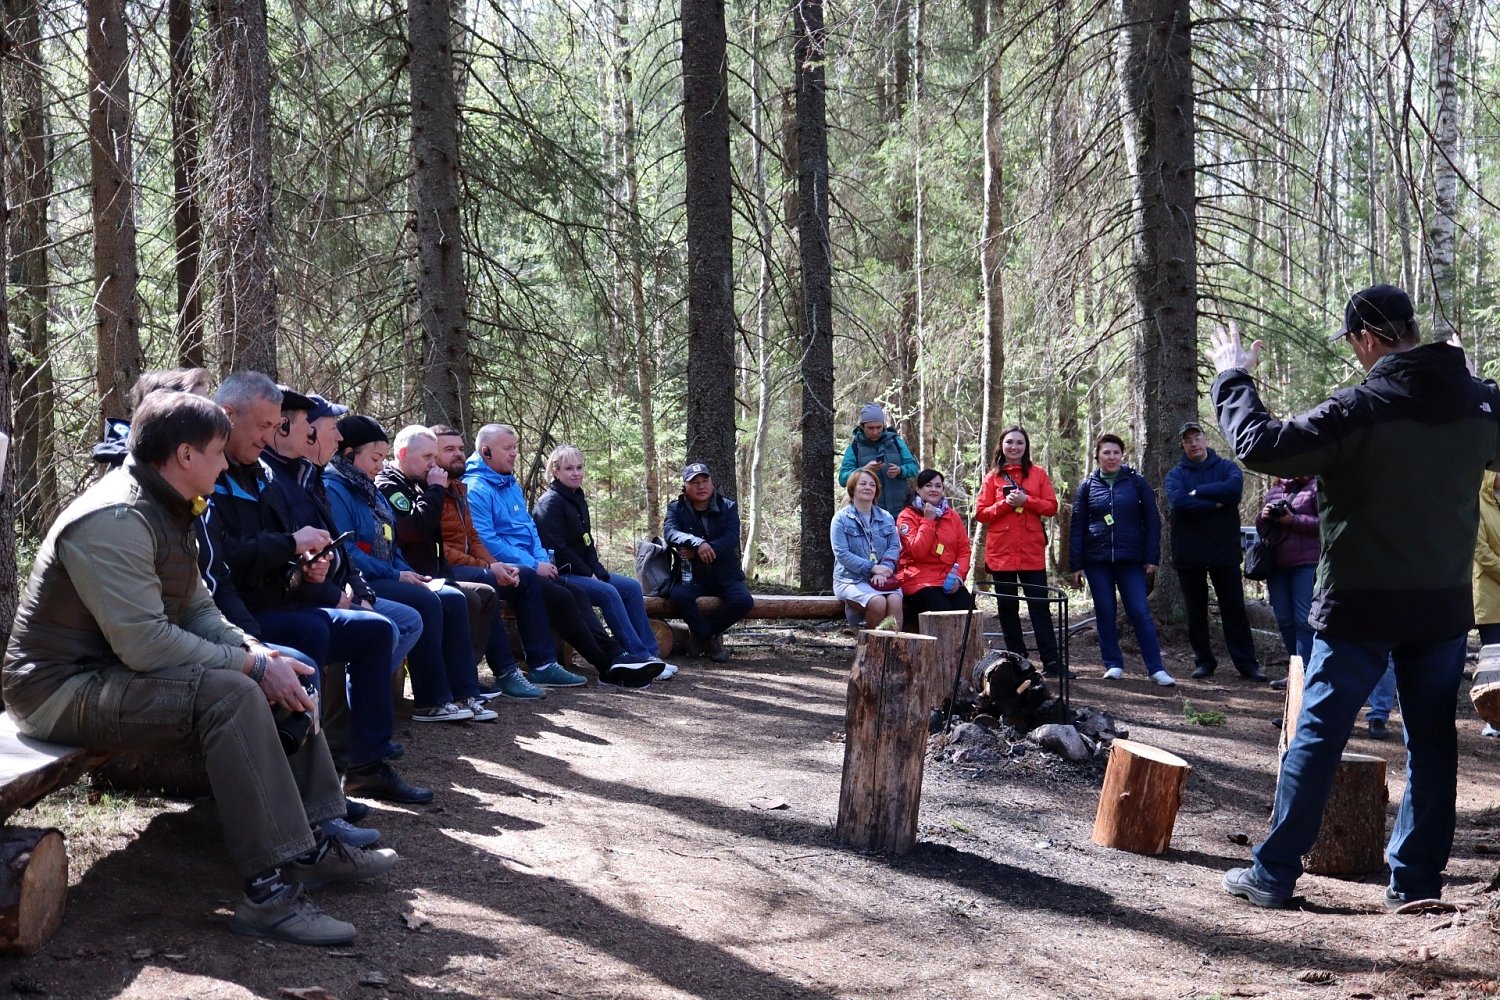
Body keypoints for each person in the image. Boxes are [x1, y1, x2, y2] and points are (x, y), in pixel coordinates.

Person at [2, 391, 398, 945]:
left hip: (111, 673)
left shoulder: (170, 504)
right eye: (217, 452)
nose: (227, 464)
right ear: (185, 455)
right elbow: (145, 644)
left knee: (285, 670)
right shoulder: (116, 517)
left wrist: (259, 653)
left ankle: (312, 841)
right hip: (58, 690)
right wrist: (250, 669)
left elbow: (197, 610)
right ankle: (267, 895)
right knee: (232, 694)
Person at [1213, 283, 1500, 910]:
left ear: (1367, 339)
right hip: (1441, 606)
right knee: (1432, 744)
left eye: (1353, 342)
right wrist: (1470, 387)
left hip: (1359, 605)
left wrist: (1233, 378)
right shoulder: (1479, 404)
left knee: (1319, 736)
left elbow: (1261, 445)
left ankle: (1274, 874)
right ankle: (1415, 883)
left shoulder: (1358, 408)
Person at [203, 374, 430, 807]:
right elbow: (223, 557)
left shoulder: (261, 475)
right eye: (265, 426)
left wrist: (307, 567)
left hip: (278, 598)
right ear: (228, 417)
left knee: (374, 630)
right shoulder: (216, 476)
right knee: (313, 637)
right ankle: (312, 790)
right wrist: (294, 552)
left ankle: (366, 765)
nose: (269, 436)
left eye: (274, 426)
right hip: (244, 614)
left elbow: (277, 547)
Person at [323, 414, 496, 724]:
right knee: (426, 602)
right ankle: (430, 701)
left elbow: (393, 545)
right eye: (374, 458)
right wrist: (397, 575)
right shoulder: (336, 487)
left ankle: (465, 692)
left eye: (382, 458)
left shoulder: (368, 488)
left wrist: (411, 573)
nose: (380, 465)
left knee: (452, 598)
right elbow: (347, 551)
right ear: (349, 454)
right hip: (359, 580)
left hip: (387, 573)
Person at [464, 423, 658, 684]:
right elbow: (487, 541)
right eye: (507, 448)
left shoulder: (509, 483)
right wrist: (534, 565)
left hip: (533, 566)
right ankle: (600, 664)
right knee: (565, 596)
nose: (514, 454)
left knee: (576, 593)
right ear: (486, 451)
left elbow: (530, 530)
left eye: (515, 448)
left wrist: (541, 560)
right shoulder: (476, 488)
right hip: (505, 570)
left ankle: (619, 657)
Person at [376, 425, 545, 697]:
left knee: (522, 580)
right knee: (476, 590)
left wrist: (494, 564)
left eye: (460, 449)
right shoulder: (423, 486)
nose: (457, 455)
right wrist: (487, 567)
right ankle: (469, 681)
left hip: (440, 569)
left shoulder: (454, 487)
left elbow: (473, 537)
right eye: (446, 451)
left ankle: (533, 665)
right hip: (420, 572)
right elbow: (424, 536)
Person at [533, 444, 677, 678]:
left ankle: (652, 655)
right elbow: (558, 549)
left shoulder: (577, 498)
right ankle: (638, 656)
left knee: (630, 587)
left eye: (579, 467)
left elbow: (587, 542)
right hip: (562, 574)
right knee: (608, 592)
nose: (576, 473)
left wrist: (597, 571)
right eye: (569, 468)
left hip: (584, 571)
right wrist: (588, 573)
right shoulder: (550, 503)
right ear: (556, 471)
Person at [1067, 434, 1174, 686]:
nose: (1111, 457)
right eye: (1106, 453)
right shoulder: (1087, 486)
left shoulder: (1136, 482)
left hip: (1131, 560)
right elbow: (1077, 526)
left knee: (1139, 611)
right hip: (1097, 561)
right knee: (1105, 612)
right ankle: (1113, 664)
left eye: (1116, 452)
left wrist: (1152, 557)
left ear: (1122, 455)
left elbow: (1152, 521)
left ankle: (1156, 669)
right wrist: (1076, 564)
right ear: (1097, 456)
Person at [1164, 421, 1266, 681]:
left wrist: (1198, 492)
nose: (1193, 443)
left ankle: (1247, 664)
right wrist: (1215, 504)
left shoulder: (1227, 468)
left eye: (1197, 437)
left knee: (1234, 609)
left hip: (1224, 551)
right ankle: (1204, 661)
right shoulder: (1176, 475)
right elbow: (1180, 503)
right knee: (1195, 611)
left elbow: (1233, 491)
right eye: (1188, 440)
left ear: (1205, 439)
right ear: (1182, 445)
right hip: (1189, 553)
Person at [974, 425, 1064, 677]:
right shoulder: (992, 477)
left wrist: (1027, 501)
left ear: (1026, 447)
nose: (1014, 447)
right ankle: (1018, 663)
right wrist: (1005, 504)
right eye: (1010, 442)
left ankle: (1052, 662)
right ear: (1002, 446)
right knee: (1007, 608)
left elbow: (1051, 507)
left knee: (1039, 607)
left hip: (1031, 552)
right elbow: (981, 513)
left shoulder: (1038, 474)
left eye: (1019, 443)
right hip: (1001, 553)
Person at [663, 463, 755, 661]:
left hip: (725, 574)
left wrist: (700, 551)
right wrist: (698, 543)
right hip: (691, 575)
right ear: (685, 486)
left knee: (743, 601)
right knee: (678, 596)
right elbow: (670, 533)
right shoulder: (676, 508)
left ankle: (702, 635)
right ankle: (709, 637)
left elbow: (731, 538)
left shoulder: (728, 506)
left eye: (705, 481)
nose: (701, 486)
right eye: (695, 482)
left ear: (711, 483)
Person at [895, 470, 974, 630]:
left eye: (938, 486)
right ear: (918, 489)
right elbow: (917, 551)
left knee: (970, 614)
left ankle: (967, 648)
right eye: (928, 485)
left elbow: (964, 551)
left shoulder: (952, 516)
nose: (934, 489)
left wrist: (958, 578)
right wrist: (928, 521)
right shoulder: (906, 516)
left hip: (948, 579)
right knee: (943, 614)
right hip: (918, 580)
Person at [1258, 476, 1319, 671]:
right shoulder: (1274, 490)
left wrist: (1294, 520)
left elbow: (1326, 524)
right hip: (1277, 565)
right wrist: (1263, 516)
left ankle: (1308, 671)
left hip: (1306, 563)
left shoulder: (1316, 488)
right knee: (1284, 619)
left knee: (1303, 620)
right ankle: (1296, 671)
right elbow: (1263, 530)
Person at [830, 467, 903, 629]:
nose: (868, 487)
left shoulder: (886, 517)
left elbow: (894, 546)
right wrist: (873, 568)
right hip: (851, 579)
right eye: (863, 484)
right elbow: (842, 553)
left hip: (884, 577)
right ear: (853, 488)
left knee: (895, 600)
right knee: (878, 602)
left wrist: (884, 569)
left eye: (872, 484)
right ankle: (870, 642)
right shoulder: (840, 519)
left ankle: (893, 643)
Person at [837, 403, 920, 518]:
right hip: (870, 514)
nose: (875, 432)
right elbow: (842, 479)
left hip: (900, 511)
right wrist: (863, 471)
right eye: (870, 428)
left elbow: (914, 468)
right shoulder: (854, 447)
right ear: (862, 427)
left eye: (879, 427)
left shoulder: (895, 441)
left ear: (883, 426)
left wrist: (900, 470)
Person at [1473, 472, 1500, 738]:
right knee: (1494, 663)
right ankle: (1494, 720)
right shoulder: (1477, 504)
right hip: (1490, 598)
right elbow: (1480, 550)